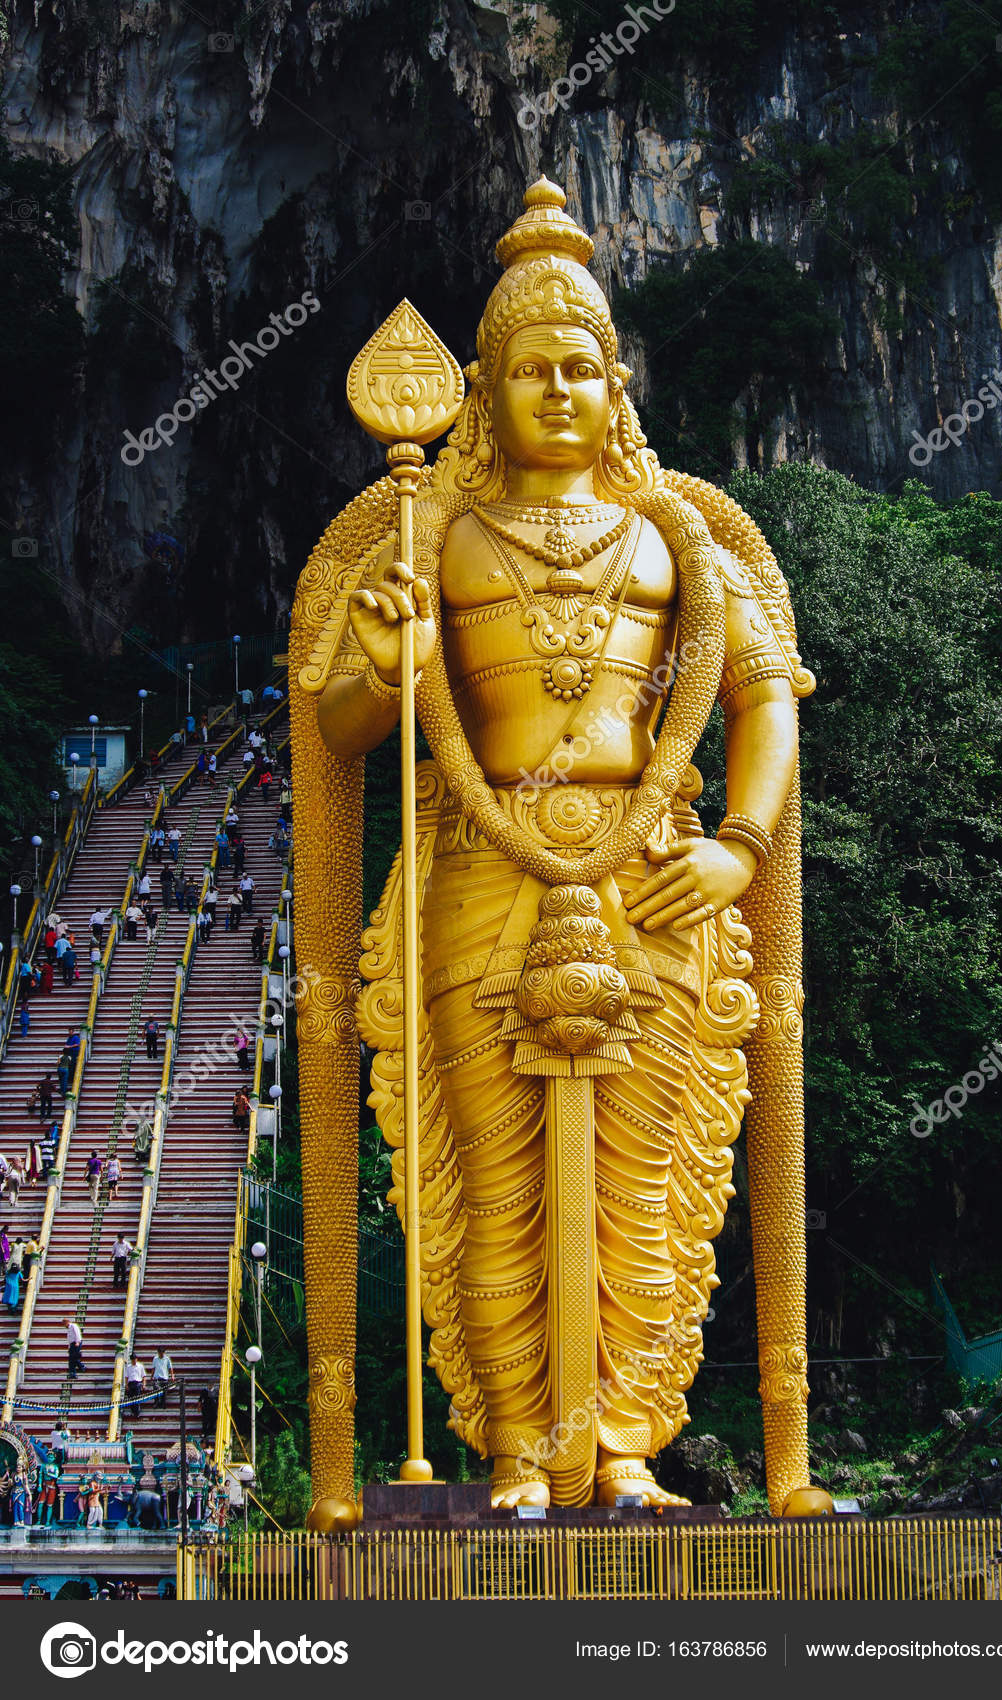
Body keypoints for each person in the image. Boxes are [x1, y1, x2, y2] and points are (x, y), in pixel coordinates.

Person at [297, 179, 820, 1516]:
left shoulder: (678, 536)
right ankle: (524, 1446)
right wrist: (385, 654)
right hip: (483, 866)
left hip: (652, 870)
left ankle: (629, 1445)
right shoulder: (435, 535)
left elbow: (765, 698)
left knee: (642, 1182)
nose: (559, 390)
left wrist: (742, 849)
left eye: (584, 367)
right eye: (531, 369)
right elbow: (344, 722)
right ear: (483, 387)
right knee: (494, 1175)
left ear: (617, 383)